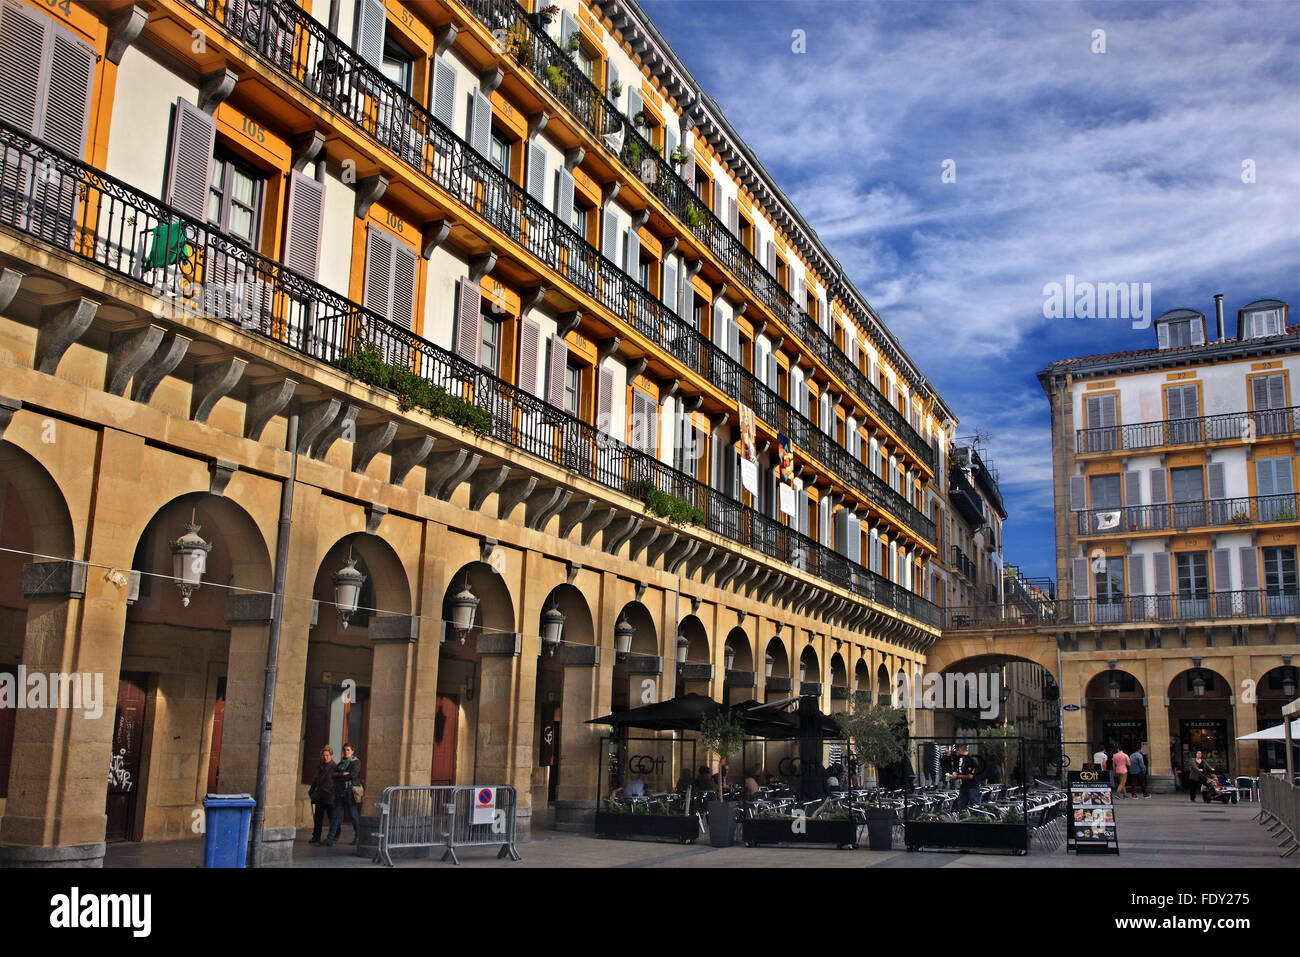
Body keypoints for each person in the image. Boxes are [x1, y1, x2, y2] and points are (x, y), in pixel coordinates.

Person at [328, 742, 362, 845]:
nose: (346, 752)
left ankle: (358, 836)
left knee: (353, 815)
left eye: (348, 750)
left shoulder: (356, 762)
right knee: (336, 816)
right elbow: (333, 774)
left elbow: (353, 775)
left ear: (352, 751)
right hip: (340, 792)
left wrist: (340, 776)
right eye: (345, 750)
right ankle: (330, 838)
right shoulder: (342, 762)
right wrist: (342, 774)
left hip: (350, 793)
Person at [307, 746, 336, 846]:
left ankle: (333, 836)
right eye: (323, 755)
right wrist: (311, 791)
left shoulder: (334, 767)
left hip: (329, 796)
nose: (325, 757)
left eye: (327, 755)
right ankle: (316, 836)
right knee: (318, 817)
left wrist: (332, 791)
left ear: (331, 755)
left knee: (331, 817)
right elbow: (316, 779)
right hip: (320, 795)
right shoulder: (320, 766)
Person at [947, 743, 981, 811]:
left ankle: (976, 819)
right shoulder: (965, 759)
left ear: (959, 750)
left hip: (972, 787)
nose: (956, 752)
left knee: (974, 807)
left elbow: (970, 776)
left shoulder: (970, 760)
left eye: (956, 750)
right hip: (965, 786)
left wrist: (957, 777)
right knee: (961, 805)